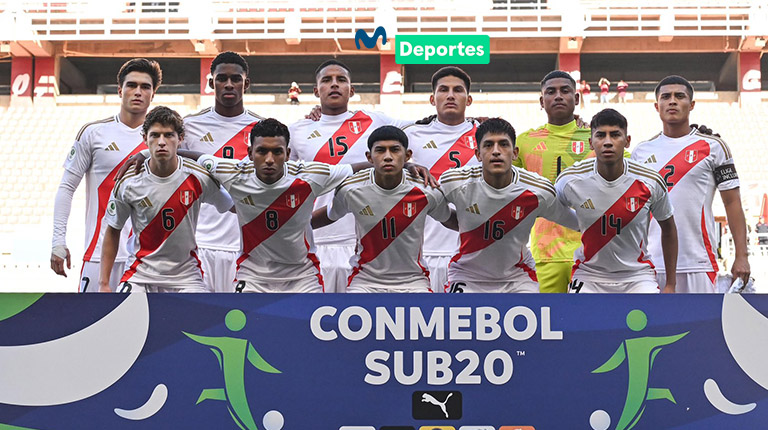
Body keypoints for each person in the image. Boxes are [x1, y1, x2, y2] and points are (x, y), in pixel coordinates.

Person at [194, 118, 374, 292]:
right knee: (241, 322)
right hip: (253, 276)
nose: (270, 159)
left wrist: (398, 165)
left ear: (288, 154)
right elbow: (198, 158)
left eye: (277, 152)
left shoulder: (310, 175)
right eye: (262, 151)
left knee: (306, 323)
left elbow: (353, 169)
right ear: (249, 153)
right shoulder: (233, 173)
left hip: (303, 277)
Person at [289, 60, 414, 292]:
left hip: (362, 242)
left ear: (351, 90)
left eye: (341, 80)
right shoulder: (297, 130)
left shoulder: (376, 121)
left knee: (354, 322)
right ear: (316, 91)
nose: (334, 85)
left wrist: (474, 121)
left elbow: (428, 126)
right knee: (314, 321)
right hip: (313, 239)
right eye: (327, 80)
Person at [51, 58, 162, 292]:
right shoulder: (94, 133)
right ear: (120, 90)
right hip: (98, 256)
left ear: (154, 94)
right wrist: (58, 241)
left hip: (145, 260)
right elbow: (66, 188)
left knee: (142, 328)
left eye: (145, 87)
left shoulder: (162, 139)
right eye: (131, 85)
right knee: (92, 327)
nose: (138, 92)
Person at [630, 75, 750, 292]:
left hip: (699, 262)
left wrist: (741, 255)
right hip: (650, 263)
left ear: (691, 104)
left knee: (699, 325)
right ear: (657, 106)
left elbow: (732, 203)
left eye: (679, 96)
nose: (672, 101)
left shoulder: (714, 147)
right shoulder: (641, 152)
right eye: (666, 97)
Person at [99, 106, 233, 293]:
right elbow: (113, 230)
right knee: (124, 317)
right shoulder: (129, 181)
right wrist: (103, 283)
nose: (162, 142)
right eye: (155, 135)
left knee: (201, 318)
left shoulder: (198, 176)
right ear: (145, 139)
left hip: (186, 278)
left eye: (169, 135)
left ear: (180, 139)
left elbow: (233, 206)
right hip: (140, 275)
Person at [439, 118, 579, 293]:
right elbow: (427, 203)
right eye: (488, 145)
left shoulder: (538, 191)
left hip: (517, 277)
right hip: (467, 275)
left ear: (515, 152)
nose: (496, 151)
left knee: (534, 317)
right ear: (478, 154)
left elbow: (578, 223)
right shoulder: (454, 182)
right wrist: (408, 165)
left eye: (504, 145)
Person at [312, 126, 450, 292]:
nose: (387, 157)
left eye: (395, 150)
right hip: (364, 282)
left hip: (413, 282)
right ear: (369, 157)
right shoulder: (350, 189)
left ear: (407, 156)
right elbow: (329, 215)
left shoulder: (427, 191)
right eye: (380, 150)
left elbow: (451, 220)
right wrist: (288, 224)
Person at [556, 108, 677, 293]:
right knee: (578, 319)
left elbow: (668, 229)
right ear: (590, 142)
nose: (607, 142)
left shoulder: (650, 181)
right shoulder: (570, 180)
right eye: (600, 136)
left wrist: (671, 284)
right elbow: (552, 209)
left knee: (650, 320)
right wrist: (579, 224)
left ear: (627, 141)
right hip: (589, 275)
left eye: (615, 135)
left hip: (637, 276)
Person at [182, 51, 264, 292]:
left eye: (236, 78)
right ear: (211, 83)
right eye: (222, 78)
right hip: (199, 243)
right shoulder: (189, 126)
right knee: (198, 321)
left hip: (246, 244)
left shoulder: (263, 129)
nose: (229, 84)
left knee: (243, 323)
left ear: (246, 83)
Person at [513, 70, 593, 293]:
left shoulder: (596, 138)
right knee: (550, 322)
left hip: (591, 253)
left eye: (565, 91)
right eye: (551, 92)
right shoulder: (525, 141)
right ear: (542, 101)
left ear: (576, 99)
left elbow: (635, 166)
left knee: (591, 324)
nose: (558, 96)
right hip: (546, 252)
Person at [404, 66, 480, 293]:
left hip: (471, 254)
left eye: (458, 90)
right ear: (432, 98)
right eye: (443, 90)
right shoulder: (410, 135)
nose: (450, 95)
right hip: (421, 251)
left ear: (469, 100)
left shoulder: (486, 135)